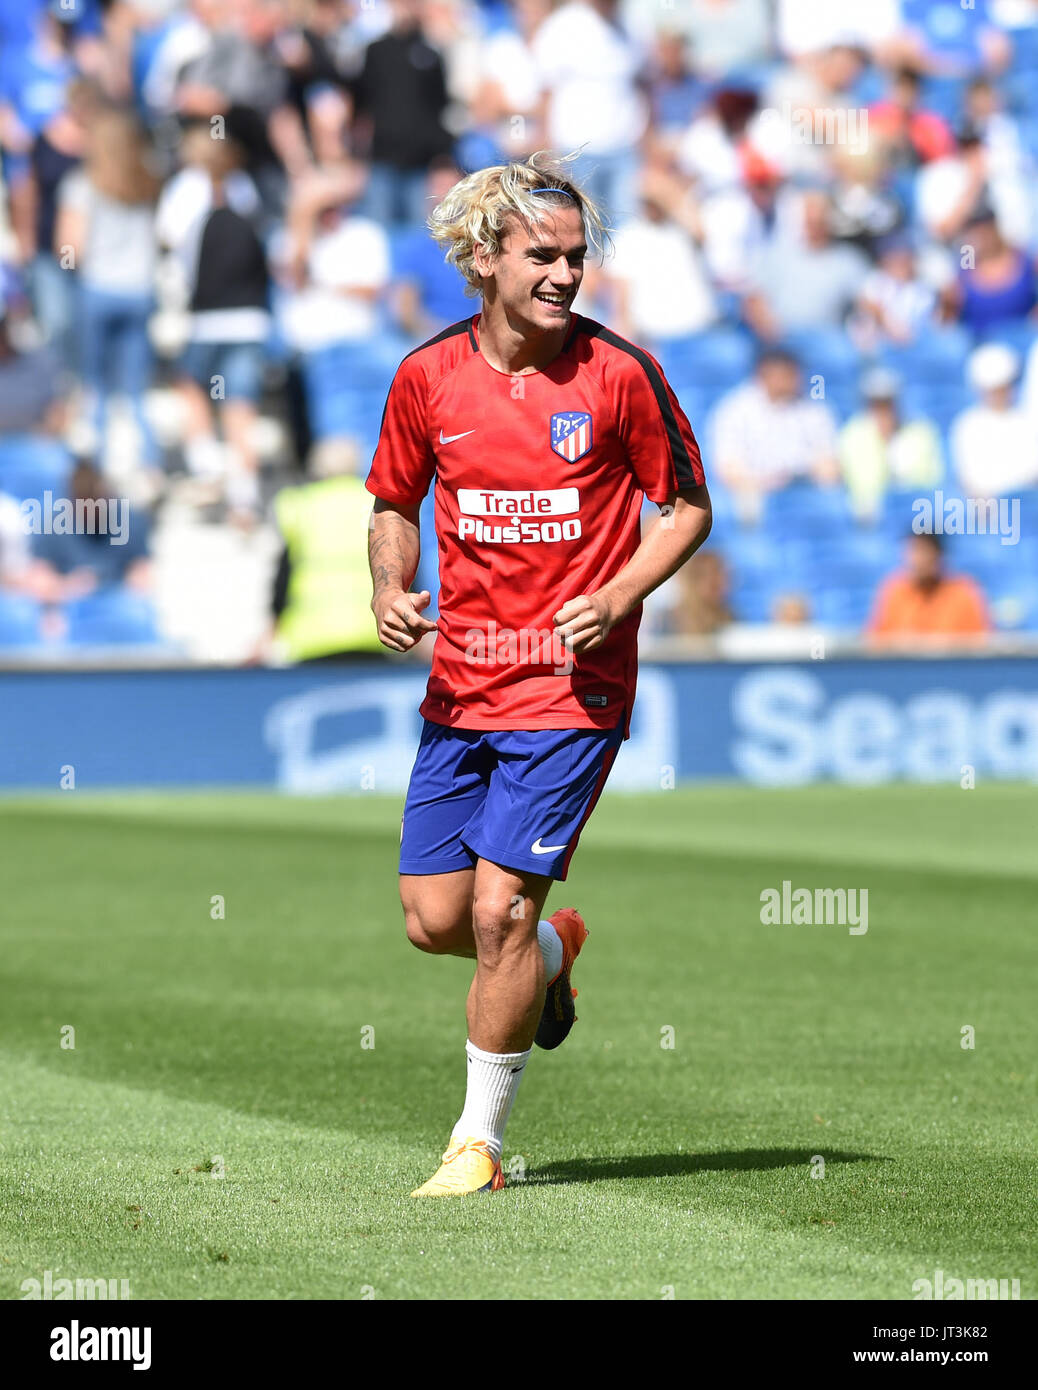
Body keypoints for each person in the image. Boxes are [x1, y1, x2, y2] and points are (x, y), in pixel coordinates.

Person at [365, 152, 711, 1197]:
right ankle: (553, 962)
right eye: (542, 257)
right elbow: (391, 499)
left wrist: (621, 596)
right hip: (462, 686)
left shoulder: (620, 375)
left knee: (496, 913)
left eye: (575, 256)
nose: (565, 275)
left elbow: (687, 507)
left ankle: (478, 1145)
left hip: (573, 689)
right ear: (484, 259)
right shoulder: (428, 377)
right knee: (436, 919)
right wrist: (391, 584)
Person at [262, 439, 386, 663]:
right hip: (374, 634)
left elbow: (283, 575)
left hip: (312, 638)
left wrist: (273, 624)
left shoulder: (299, 504)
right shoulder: (377, 503)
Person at [712, 347, 839, 522]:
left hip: (804, 490)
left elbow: (830, 466)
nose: (797, 380)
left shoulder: (814, 410)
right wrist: (766, 483)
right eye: (788, 375)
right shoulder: (734, 410)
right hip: (755, 493)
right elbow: (728, 469)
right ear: (765, 375)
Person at [838, 367, 943, 520]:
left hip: (916, 516)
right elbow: (863, 489)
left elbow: (931, 481)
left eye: (888, 403)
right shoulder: (852, 435)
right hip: (869, 518)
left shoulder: (921, 432)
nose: (883, 411)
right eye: (876, 404)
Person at [867, 530, 990, 649]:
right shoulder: (894, 591)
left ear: (938, 554)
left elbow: (980, 644)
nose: (918, 559)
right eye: (914, 552)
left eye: (924, 551)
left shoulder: (963, 592)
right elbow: (876, 643)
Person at [951, 343, 1038, 498]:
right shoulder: (968, 425)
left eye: (1003, 387)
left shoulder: (1026, 421)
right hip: (989, 511)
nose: (999, 394)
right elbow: (968, 481)